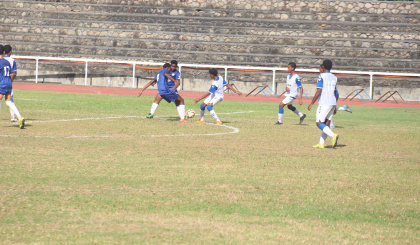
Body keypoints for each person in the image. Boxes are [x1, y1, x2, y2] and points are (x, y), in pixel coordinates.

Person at [307, 60, 339, 149]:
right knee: (327, 123)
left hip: (324, 102)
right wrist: (335, 105)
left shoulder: (321, 76)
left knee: (319, 123)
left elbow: (319, 91)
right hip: (332, 102)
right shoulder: (334, 77)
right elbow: (336, 92)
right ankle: (321, 143)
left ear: (323, 67)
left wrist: (311, 103)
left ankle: (333, 135)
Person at [0, 45, 25, 129]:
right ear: (3, 52)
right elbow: (12, 73)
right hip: (8, 83)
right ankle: (20, 117)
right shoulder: (7, 62)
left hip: (2, 83)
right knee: (8, 102)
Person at [3, 45, 21, 122]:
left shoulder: (1, 60)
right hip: (8, 82)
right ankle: (13, 117)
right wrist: (10, 81)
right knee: (10, 100)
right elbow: (14, 73)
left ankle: (15, 117)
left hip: (1, 81)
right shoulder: (12, 60)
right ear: (10, 52)